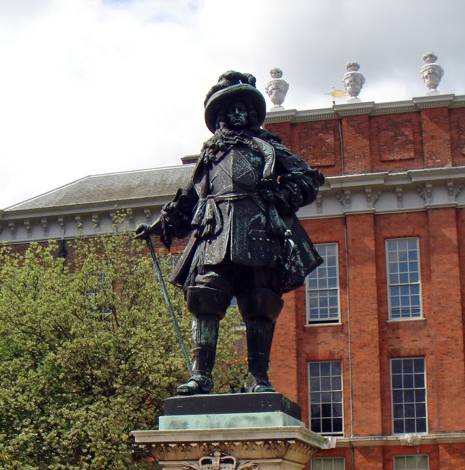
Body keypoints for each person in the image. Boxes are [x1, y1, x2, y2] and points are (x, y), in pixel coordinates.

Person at [136, 70, 324, 396]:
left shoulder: (268, 148)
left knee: (260, 301)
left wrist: (278, 197)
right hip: (216, 230)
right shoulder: (211, 154)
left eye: (242, 108)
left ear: (251, 114)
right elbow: (190, 197)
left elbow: (307, 179)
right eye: (230, 109)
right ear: (221, 116)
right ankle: (201, 376)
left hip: (258, 230)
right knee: (204, 295)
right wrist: (160, 225)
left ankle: (257, 378)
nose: (237, 114)